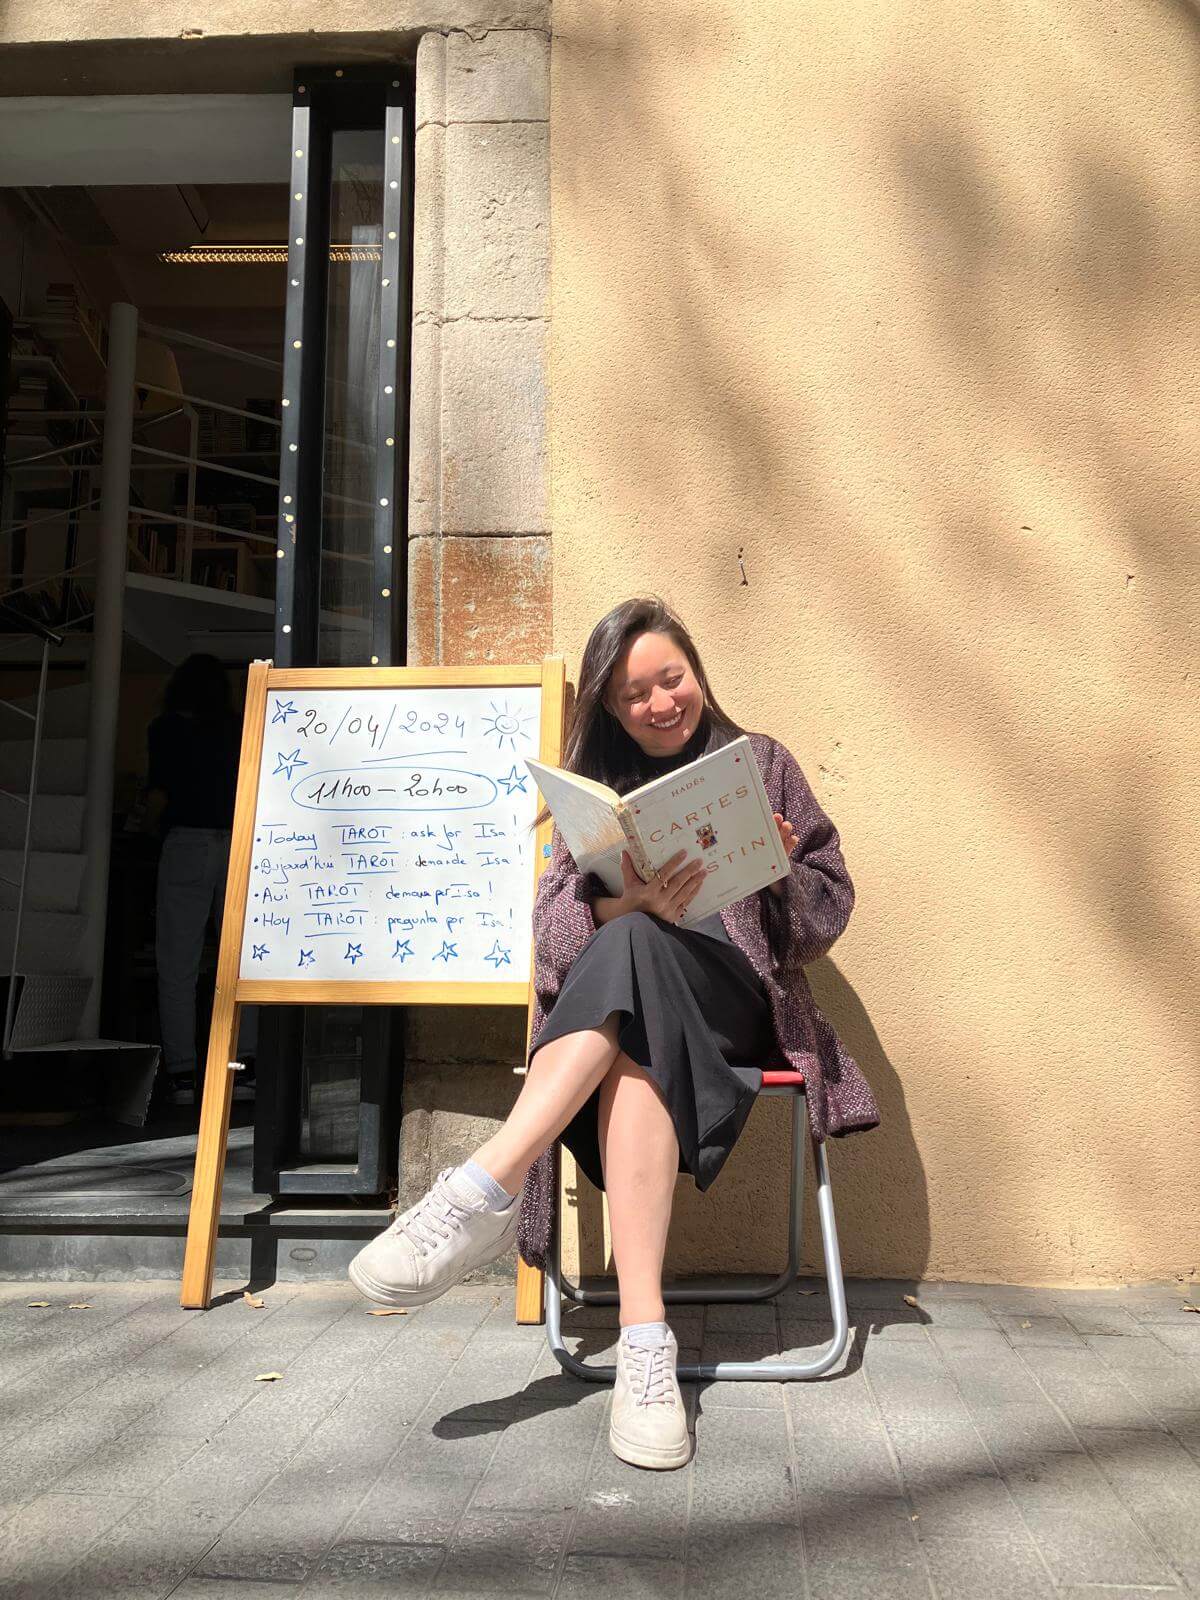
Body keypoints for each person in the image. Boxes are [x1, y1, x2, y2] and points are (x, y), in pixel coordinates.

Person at [349, 597, 880, 1469]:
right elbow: (552, 931)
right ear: (608, 707)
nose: (660, 703)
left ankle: (483, 1187)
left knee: (637, 965)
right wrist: (631, 900)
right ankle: (644, 1343)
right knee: (633, 968)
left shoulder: (763, 764)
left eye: (670, 679)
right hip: (640, 1016)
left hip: (738, 1010)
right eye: (634, 694)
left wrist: (779, 872)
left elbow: (826, 918)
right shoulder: (598, 793)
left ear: (697, 671)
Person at [145, 653, 248, 1108]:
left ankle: (183, 1075)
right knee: (241, 962)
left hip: (186, 842)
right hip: (236, 842)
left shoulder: (165, 729)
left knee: (177, 963)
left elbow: (158, 792)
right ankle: (243, 1067)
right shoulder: (238, 728)